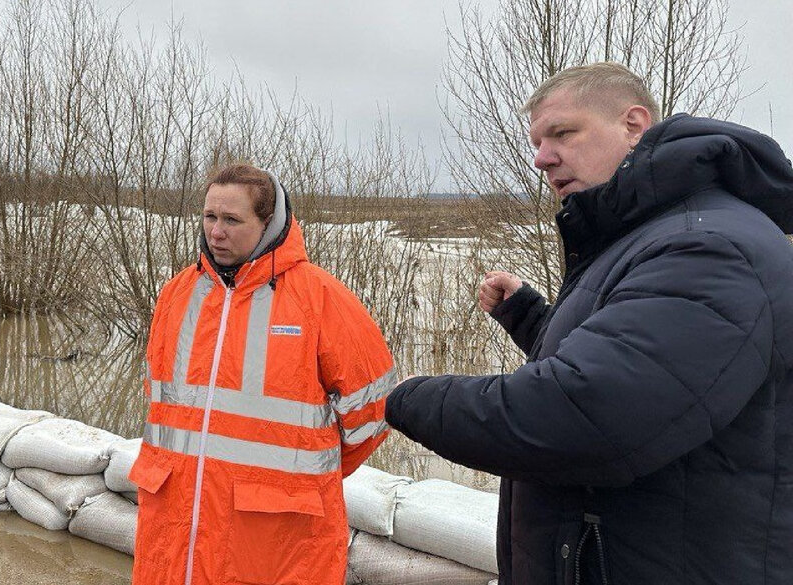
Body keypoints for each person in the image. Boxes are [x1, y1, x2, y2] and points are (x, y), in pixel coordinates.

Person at [385, 62, 793, 584]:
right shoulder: (655, 234)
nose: (541, 158)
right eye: (536, 142)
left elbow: (586, 416)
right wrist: (532, 319)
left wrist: (410, 398)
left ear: (633, 124)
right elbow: (655, 371)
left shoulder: (710, 247)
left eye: (562, 133)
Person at [129, 163, 395, 585]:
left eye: (232, 220)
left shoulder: (321, 298)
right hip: (175, 531)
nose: (216, 231)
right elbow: (161, 403)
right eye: (210, 217)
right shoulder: (176, 295)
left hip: (274, 542)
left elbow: (374, 415)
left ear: (268, 223)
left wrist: (300, 476)